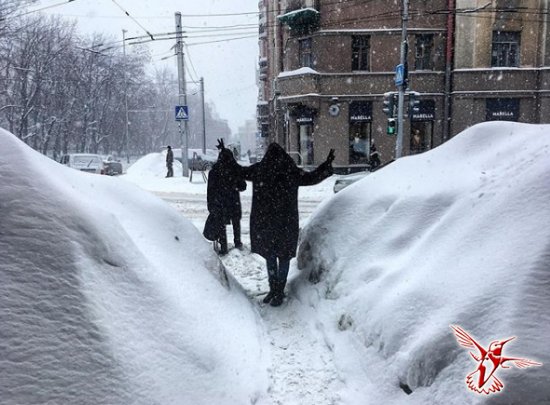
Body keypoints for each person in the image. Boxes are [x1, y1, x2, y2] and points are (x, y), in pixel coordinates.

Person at [235, 142, 335, 307]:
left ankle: (273, 289)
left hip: (266, 222)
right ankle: (279, 291)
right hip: (286, 222)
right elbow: (312, 178)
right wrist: (326, 165)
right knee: (283, 257)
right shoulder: (291, 171)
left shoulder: (260, 169)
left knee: (270, 256)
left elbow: (239, 171)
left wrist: (225, 155)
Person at [205, 139, 246, 255]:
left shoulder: (214, 171)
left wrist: (210, 204)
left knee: (221, 224)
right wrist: (235, 186)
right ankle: (237, 243)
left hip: (219, 203)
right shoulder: (235, 170)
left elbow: (210, 191)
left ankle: (223, 246)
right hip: (233, 202)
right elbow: (243, 186)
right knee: (236, 222)